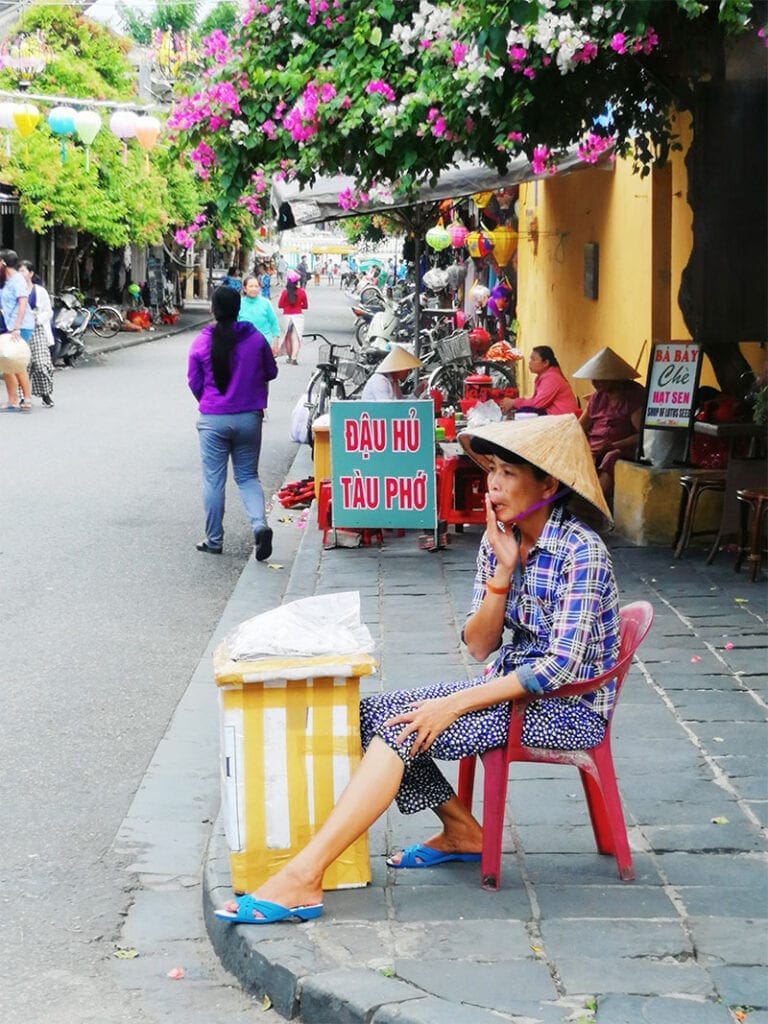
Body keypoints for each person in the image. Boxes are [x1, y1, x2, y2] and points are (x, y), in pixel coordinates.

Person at [215, 414, 619, 924]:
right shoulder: (504, 543)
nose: (493, 485)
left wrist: (450, 705)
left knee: (405, 731)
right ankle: (462, 831)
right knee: (365, 716)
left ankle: (304, 876)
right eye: (491, 471)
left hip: (567, 709)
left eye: (509, 474)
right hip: (508, 689)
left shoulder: (582, 551)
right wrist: (502, 573)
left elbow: (556, 669)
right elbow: (479, 646)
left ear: (548, 484)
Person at [187, 286, 278, 560]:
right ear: (239, 308)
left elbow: (195, 382)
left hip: (213, 419)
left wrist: (212, 402)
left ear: (212, 309)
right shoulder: (255, 338)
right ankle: (260, 525)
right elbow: (270, 371)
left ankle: (214, 540)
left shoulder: (201, 342)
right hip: (249, 417)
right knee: (248, 476)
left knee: (214, 481)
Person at [573, 346, 647, 507]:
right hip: (594, 448)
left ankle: (595, 503)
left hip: (621, 450)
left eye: (599, 378)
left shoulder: (633, 395)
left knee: (610, 457)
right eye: (593, 378)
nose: (594, 383)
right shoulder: (597, 398)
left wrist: (612, 445)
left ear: (614, 378)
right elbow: (580, 426)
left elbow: (642, 435)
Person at [0, 249, 34, 413]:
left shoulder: (17, 280)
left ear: (4, 263)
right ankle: (12, 401)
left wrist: (17, 327)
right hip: (8, 325)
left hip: (21, 325)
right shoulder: (6, 281)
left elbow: (22, 303)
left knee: (17, 361)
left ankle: (27, 397)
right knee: (5, 362)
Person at [502, 345, 579, 417]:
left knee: (525, 412)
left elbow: (538, 404)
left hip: (563, 418)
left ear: (545, 363)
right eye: (530, 359)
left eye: (533, 360)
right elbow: (535, 401)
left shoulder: (552, 378)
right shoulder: (544, 377)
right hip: (556, 416)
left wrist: (514, 402)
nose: (530, 362)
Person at [18, 260, 55, 408]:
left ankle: (45, 392)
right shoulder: (14, 290)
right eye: (18, 271)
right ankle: (23, 396)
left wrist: (38, 319)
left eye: (23, 271)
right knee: (22, 364)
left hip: (37, 329)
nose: (20, 274)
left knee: (41, 363)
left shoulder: (40, 291)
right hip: (19, 330)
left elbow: (48, 311)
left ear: (31, 274)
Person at [239, 274, 280, 355]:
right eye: (251, 286)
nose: (254, 289)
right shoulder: (238, 304)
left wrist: (275, 341)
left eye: (256, 286)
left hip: (264, 343)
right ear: (244, 288)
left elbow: (273, 322)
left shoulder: (265, 303)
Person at [277, 270, 308, 365]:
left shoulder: (284, 293)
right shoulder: (302, 292)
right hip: (298, 317)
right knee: (296, 337)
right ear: (297, 282)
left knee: (287, 337)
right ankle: (294, 358)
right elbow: (305, 306)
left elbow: (280, 305)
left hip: (286, 317)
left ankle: (289, 356)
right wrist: (298, 305)